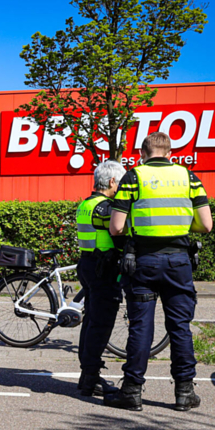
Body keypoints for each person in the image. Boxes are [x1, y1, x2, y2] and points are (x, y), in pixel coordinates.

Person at [104, 131, 213, 412]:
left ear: (142, 153)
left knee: (141, 327)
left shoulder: (133, 177)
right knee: (180, 327)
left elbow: (116, 227)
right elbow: (206, 225)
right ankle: (185, 392)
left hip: (143, 262)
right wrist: (181, 228)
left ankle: (132, 391)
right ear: (170, 153)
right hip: (179, 262)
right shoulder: (189, 177)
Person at [76, 160, 127, 397]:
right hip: (103, 268)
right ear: (112, 181)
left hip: (87, 264)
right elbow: (119, 233)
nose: (122, 188)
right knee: (101, 324)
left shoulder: (86, 204)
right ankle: (91, 378)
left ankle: (86, 374)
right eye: (121, 183)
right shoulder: (106, 207)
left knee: (90, 321)